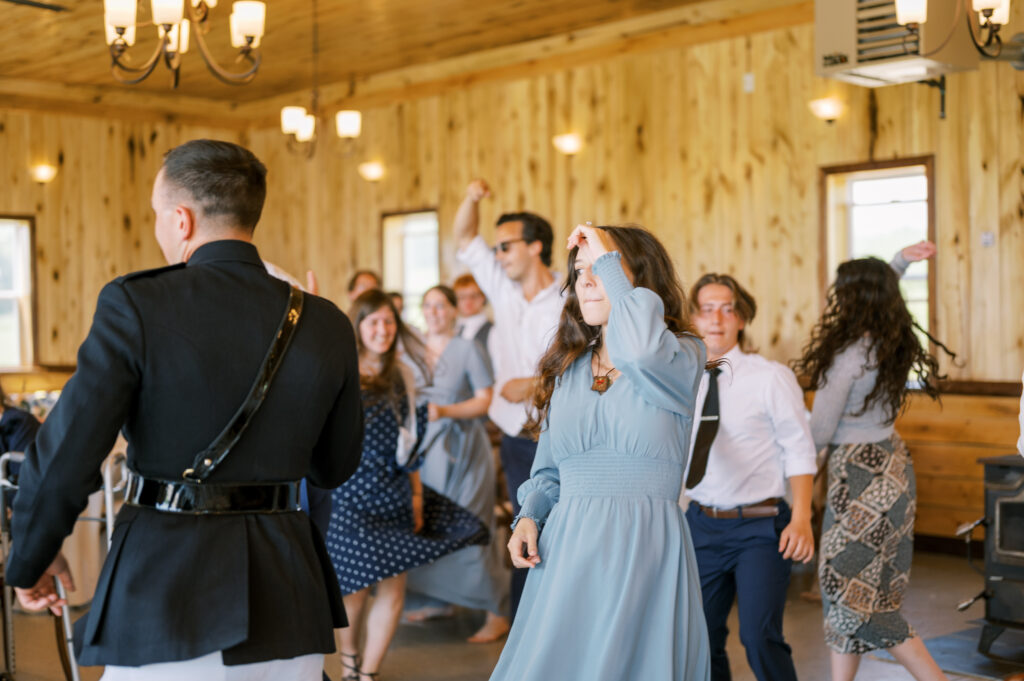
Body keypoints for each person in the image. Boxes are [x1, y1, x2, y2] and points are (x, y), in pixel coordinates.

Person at [5, 139, 364, 680]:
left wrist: (31, 557)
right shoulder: (327, 321)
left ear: (181, 219)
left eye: (156, 215)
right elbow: (334, 467)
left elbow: (68, 453)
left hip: (165, 584)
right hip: (288, 587)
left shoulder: (136, 303)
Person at [490, 223, 710, 681]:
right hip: (566, 553)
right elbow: (551, 470)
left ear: (637, 279)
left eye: (601, 269)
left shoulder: (680, 355)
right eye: (579, 271)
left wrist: (605, 257)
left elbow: (641, 351)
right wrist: (528, 517)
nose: (586, 281)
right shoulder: (567, 371)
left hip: (641, 548)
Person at [793, 241, 955, 681]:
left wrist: (788, 466)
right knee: (866, 593)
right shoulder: (889, 341)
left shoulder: (847, 356)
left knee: (848, 591)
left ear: (850, 299)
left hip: (858, 476)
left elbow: (820, 432)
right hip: (894, 468)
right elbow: (882, 289)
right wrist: (900, 262)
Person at [326, 289, 488, 681]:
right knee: (354, 589)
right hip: (348, 497)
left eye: (388, 321)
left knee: (393, 591)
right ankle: (349, 663)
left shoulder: (403, 375)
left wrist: (416, 496)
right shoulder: (339, 371)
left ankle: (368, 674)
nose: (382, 329)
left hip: (393, 494)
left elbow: (410, 439)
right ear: (358, 326)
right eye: (374, 322)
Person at [681, 273, 816, 681]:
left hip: (760, 526)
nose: (717, 318)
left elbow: (799, 448)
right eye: (707, 309)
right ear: (692, 319)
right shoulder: (679, 379)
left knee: (759, 637)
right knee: (700, 637)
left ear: (742, 318)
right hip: (700, 523)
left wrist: (802, 518)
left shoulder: (770, 377)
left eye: (728, 308)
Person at [453, 179, 564, 621]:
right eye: (496, 249)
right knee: (527, 526)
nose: (498, 255)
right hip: (518, 434)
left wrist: (537, 384)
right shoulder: (501, 287)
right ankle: (525, 630)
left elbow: (592, 359)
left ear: (535, 246)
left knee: (563, 528)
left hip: (564, 430)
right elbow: (464, 236)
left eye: (506, 247)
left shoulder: (571, 296)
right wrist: (471, 199)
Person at [404, 285, 510, 643]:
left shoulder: (469, 348)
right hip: (425, 452)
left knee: (471, 525)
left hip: (463, 449)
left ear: (453, 311)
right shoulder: (412, 351)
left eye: (441, 305)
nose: (434, 312)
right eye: (428, 305)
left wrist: (445, 411)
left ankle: (497, 611)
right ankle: (439, 600)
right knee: (432, 525)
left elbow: (485, 401)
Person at [453, 273, 493, 355]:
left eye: (473, 296)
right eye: (462, 297)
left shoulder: (492, 330)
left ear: (483, 297)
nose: (468, 302)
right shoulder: (453, 328)